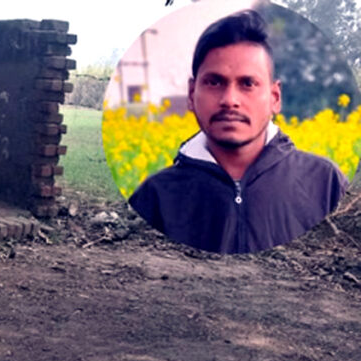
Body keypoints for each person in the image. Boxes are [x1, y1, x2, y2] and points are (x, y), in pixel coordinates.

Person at [128, 10, 346, 254]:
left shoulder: (325, 183)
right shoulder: (154, 197)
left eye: (248, 84)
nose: (230, 100)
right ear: (191, 94)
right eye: (214, 82)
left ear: (275, 98)